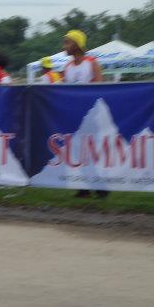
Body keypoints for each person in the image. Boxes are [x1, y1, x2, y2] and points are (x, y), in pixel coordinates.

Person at [61, 30, 106, 199]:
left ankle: (100, 186)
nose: (64, 46)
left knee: (92, 151)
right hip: (74, 116)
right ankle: (84, 187)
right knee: (78, 152)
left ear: (77, 44)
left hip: (92, 116)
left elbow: (100, 86)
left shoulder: (92, 62)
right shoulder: (68, 67)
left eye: (67, 42)